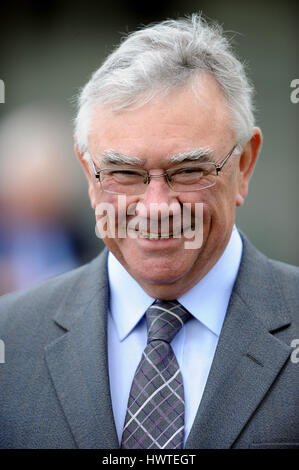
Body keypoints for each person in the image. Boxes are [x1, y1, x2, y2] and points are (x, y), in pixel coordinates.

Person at [0, 13, 298, 449]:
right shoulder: (11, 338)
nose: (156, 208)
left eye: (190, 170)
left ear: (244, 165)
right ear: (88, 173)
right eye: (123, 172)